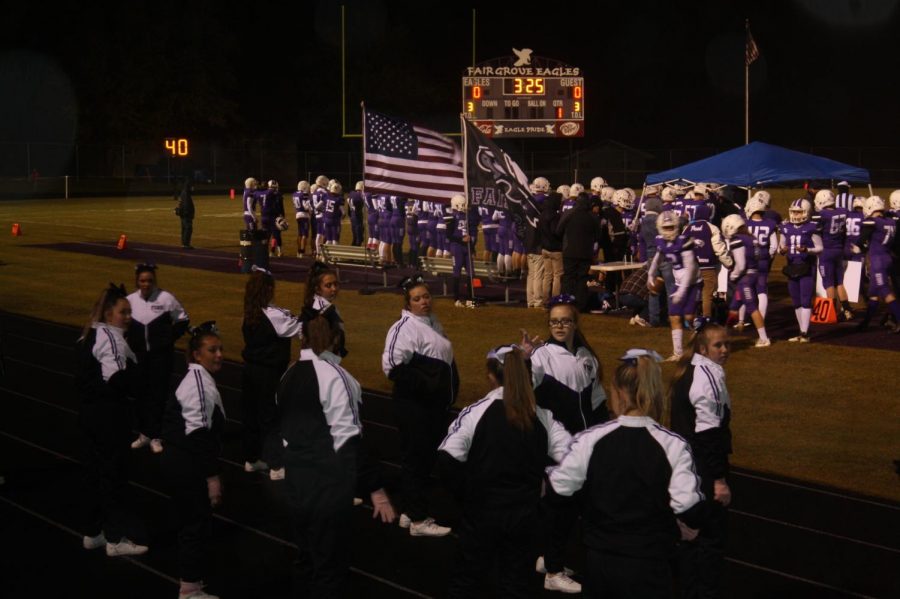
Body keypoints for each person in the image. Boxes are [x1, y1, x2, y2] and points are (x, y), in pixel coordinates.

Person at [547, 348, 706, 599]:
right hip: (650, 564)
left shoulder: (591, 439)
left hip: (600, 563)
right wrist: (683, 525)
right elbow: (691, 509)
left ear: (619, 392)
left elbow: (559, 490)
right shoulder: (673, 444)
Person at [437, 345, 573, 598]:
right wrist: (545, 484)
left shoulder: (476, 413)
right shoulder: (541, 416)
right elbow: (574, 460)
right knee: (515, 585)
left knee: (468, 581)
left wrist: (466, 496)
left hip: (481, 515)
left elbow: (446, 459)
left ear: (491, 376)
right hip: (524, 517)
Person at [278, 311, 396, 597]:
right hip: (326, 483)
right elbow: (348, 437)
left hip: (295, 479)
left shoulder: (288, 375)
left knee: (306, 556)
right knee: (330, 562)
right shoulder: (335, 377)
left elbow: (283, 431)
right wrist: (375, 488)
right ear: (334, 338)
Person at [520, 295, 607, 594]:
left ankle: (548, 558)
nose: (559, 325)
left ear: (575, 323)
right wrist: (525, 359)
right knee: (561, 507)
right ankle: (554, 572)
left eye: (565, 320)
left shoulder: (587, 356)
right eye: (554, 321)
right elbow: (524, 386)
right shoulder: (542, 356)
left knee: (566, 507)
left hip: (581, 447)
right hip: (557, 446)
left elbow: (597, 403)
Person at [382, 274, 459, 537]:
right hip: (415, 408)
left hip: (431, 407)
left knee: (422, 461)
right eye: (417, 299)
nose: (424, 301)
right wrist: (426, 386)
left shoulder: (432, 322)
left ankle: (408, 510)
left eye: (426, 296)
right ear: (408, 303)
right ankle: (418, 520)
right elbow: (391, 366)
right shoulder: (404, 328)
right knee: (417, 461)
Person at [76, 283, 148, 557]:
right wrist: (139, 381)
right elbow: (116, 379)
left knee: (94, 474)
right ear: (108, 314)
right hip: (109, 418)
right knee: (113, 476)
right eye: (123, 312)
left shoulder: (89, 335)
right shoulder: (112, 339)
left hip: (89, 416)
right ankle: (116, 538)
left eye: (130, 311)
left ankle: (93, 532)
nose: (129, 317)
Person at [160, 322, 225, 599]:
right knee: (194, 524)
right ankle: (189, 588)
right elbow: (197, 433)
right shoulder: (197, 383)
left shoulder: (198, 379)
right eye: (213, 350)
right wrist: (212, 478)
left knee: (193, 522)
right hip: (187, 464)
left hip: (183, 461)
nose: (220, 354)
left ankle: (192, 582)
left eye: (221, 349)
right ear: (197, 355)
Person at [669, 320, 733, 599]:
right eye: (718, 345)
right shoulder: (706, 377)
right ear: (704, 348)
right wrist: (718, 479)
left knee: (690, 536)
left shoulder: (693, 371)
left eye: (727, 344)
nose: (725, 350)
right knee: (708, 539)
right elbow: (708, 434)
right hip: (701, 471)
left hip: (686, 468)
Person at [241, 267, 304, 481]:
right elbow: (302, 330)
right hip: (269, 373)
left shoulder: (249, 312)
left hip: (249, 370)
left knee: (251, 415)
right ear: (268, 289)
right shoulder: (275, 315)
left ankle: (251, 458)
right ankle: (277, 465)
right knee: (271, 417)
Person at [127, 263, 190, 453]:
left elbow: (183, 320)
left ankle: (156, 436)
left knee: (158, 396)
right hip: (138, 357)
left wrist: (167, 338)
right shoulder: (129, 301)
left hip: (160, 358)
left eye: (149, 280)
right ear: (137, 281)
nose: (146, 284)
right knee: (140, 395)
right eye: (142, 280)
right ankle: (143, 433)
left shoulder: (166, 298)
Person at [647, 210, 702, 360]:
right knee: (674, 317)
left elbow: (690, 267)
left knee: (690, 317)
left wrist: (681, 292)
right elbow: (658, 257)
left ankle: (702, 333)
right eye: (666, 228)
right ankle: (678, 352)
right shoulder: (661, 241)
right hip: (679, 283)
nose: (669, 231)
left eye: (671, 227)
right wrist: (651, 274)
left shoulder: (683, 242)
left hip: (692, 282)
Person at [721, 215, 771, 347]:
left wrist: (733, 275)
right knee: (734, 307)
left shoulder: (737, 240)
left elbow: (741, 264)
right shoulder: (751, 238)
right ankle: (725, 335)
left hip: (745, 279)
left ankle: (764, 338)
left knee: (751, 307)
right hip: (754, 274)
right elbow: (757, 256)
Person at [853, 196, 900, 332]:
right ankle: (865, 322)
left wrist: (859, 246)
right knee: (873, 292)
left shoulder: (872, 222)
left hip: (878, 260)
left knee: (885, 290)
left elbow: (860, 239)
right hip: (886, 257)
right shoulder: (890, 221)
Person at [778, 199, 822, 342]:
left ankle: (805, 332)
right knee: (796, 301)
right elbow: (781, 247)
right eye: (794, 212)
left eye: (799, 211)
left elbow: (820, 248)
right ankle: (801, 331)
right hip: (791, 267)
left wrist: (807, 250)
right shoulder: (785, 227)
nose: (796, 214)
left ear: (806, 212)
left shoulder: (811, 227)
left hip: (806, 266)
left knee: (805, 300)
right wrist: (782, 250)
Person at [812, 189, 854, 320]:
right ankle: (847, 310)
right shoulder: (842, 212)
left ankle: (832, 312)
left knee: (829, 283)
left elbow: (815, 231)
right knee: (839, 282)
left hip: (826, 251)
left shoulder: (822, 215)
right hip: (839, 250)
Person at [558, 193, 603, 312]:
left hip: (569, 251)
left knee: (568, 277)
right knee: (582, 278)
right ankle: (580, 305)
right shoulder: (593, 216)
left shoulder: (569, 213)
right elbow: (599, 235)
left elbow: (558, 230)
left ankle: (565, 303)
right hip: (585, 252)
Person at [303, 261, 346, 357]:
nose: (334, 289)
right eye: (328, 285)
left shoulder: (312, 304)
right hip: (321, 360)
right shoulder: (326, 310)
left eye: (336, 284)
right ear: (317, 289)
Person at [447, 194, 476, 307]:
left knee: (471, 273)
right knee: (457, 272)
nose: (465, 207)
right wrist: (461, 239)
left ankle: (470, 299)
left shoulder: (467, 216)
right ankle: (456, 299)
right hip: (457, 247)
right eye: (463, 204)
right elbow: (448, 235)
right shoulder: (451, 216)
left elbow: (469, 233)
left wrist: (472, 249)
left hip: (466, 247)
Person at [540, 192, 564, 304]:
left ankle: (545, 299)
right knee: (557, 276)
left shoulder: (542, 213)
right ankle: (555, 299)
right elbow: (555, 231)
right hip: (555, 249)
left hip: (545, 248)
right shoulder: (555, 216)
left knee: (547, 275)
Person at [292, 180, 311, 257]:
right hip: (304, 215)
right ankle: (302, 252)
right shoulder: (304, 194)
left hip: (298, 214)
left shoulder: (294, 194)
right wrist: (310, 210)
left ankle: (298, 251)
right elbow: (305, 206)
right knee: (304, 235)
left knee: (300, 233)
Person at [175, 178, 195, 249]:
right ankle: (186, 244)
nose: (193, 188)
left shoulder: (184, 192)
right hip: (186, 215)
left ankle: (184, 243)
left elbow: (180, 203)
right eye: (192, 186)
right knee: (188, 228)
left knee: (184, 229)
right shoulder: (186, 193)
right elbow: (186, 205)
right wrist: (187, 214)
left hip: (183, 214)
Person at [348, 181, 367, 247]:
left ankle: (352, 252)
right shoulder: (360, 195)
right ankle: (355, 254)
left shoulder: (351, 193)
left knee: (355, 236)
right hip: (358, 217)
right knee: (359, 238)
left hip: (352, 216)